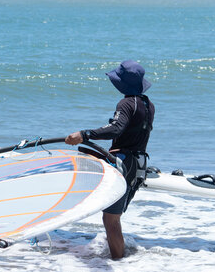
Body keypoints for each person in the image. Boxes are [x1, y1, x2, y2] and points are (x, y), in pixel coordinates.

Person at [65, 60, 155, 259]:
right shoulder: (148, 105)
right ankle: (118, 257)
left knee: (110, 219)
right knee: (113, 217)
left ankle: (117, 262)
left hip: (124, 163)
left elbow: (116, 129)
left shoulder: (126, 103)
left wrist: (84, 134)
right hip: (138, 165)